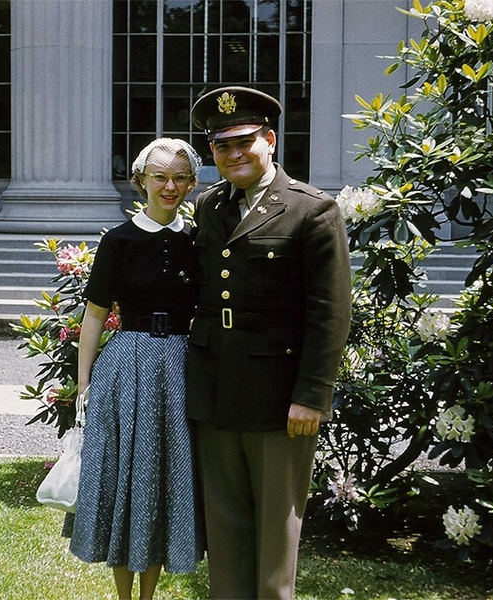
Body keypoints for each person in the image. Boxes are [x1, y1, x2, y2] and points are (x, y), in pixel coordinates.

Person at [186, 86, 352, 599]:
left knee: (276, 533)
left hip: (279, 398)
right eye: (223, 146)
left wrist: (311, 396)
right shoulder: (210, 205)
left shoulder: (312, 210)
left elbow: (329, 313)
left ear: (271, 140)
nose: (234, 154)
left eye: (245, 142)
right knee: (225, 526)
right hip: (216, 389)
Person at [65, 138, 205, 600]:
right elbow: (94, 315)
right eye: (159, 177)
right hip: (126, 369)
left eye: (180, 178)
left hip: (180, 368)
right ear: (141, 180)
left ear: (192, 183)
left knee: (163, 480)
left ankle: (148, 596)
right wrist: (84, 382)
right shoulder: (118, 241)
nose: (170, 186)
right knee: (127, 480)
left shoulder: (196, 241)